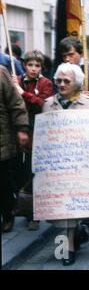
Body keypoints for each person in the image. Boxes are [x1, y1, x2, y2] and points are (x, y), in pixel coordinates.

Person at [43, 63, 89, 265]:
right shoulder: (48, 104)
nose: (61, 84)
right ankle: (74, 235)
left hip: (81, 163)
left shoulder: (88, 105)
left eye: (66, 81)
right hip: (57, 164)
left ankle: (67, 248)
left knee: (73, 209)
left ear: (77, 83)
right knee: (62, 209)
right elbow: (43, 137)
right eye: (58, 80)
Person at [13, 50, 54, 230]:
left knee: (34, 172)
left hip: (37, 130)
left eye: (37, 65)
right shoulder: (17, 80)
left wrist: (22, 92)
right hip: (18, 129)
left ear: (41, 67)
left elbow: (42, 103)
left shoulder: (46, 83)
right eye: (30, 65)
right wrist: (16, 88)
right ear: (25, 66)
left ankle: (35, 215)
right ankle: (22, 208)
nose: (33, 69)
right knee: (20, 172)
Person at [0, 66, 29, 233]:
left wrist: (21, 128)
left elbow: (16, 103)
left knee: (3, 181)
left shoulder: (1, 73)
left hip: (2, 136)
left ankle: (8, 213)